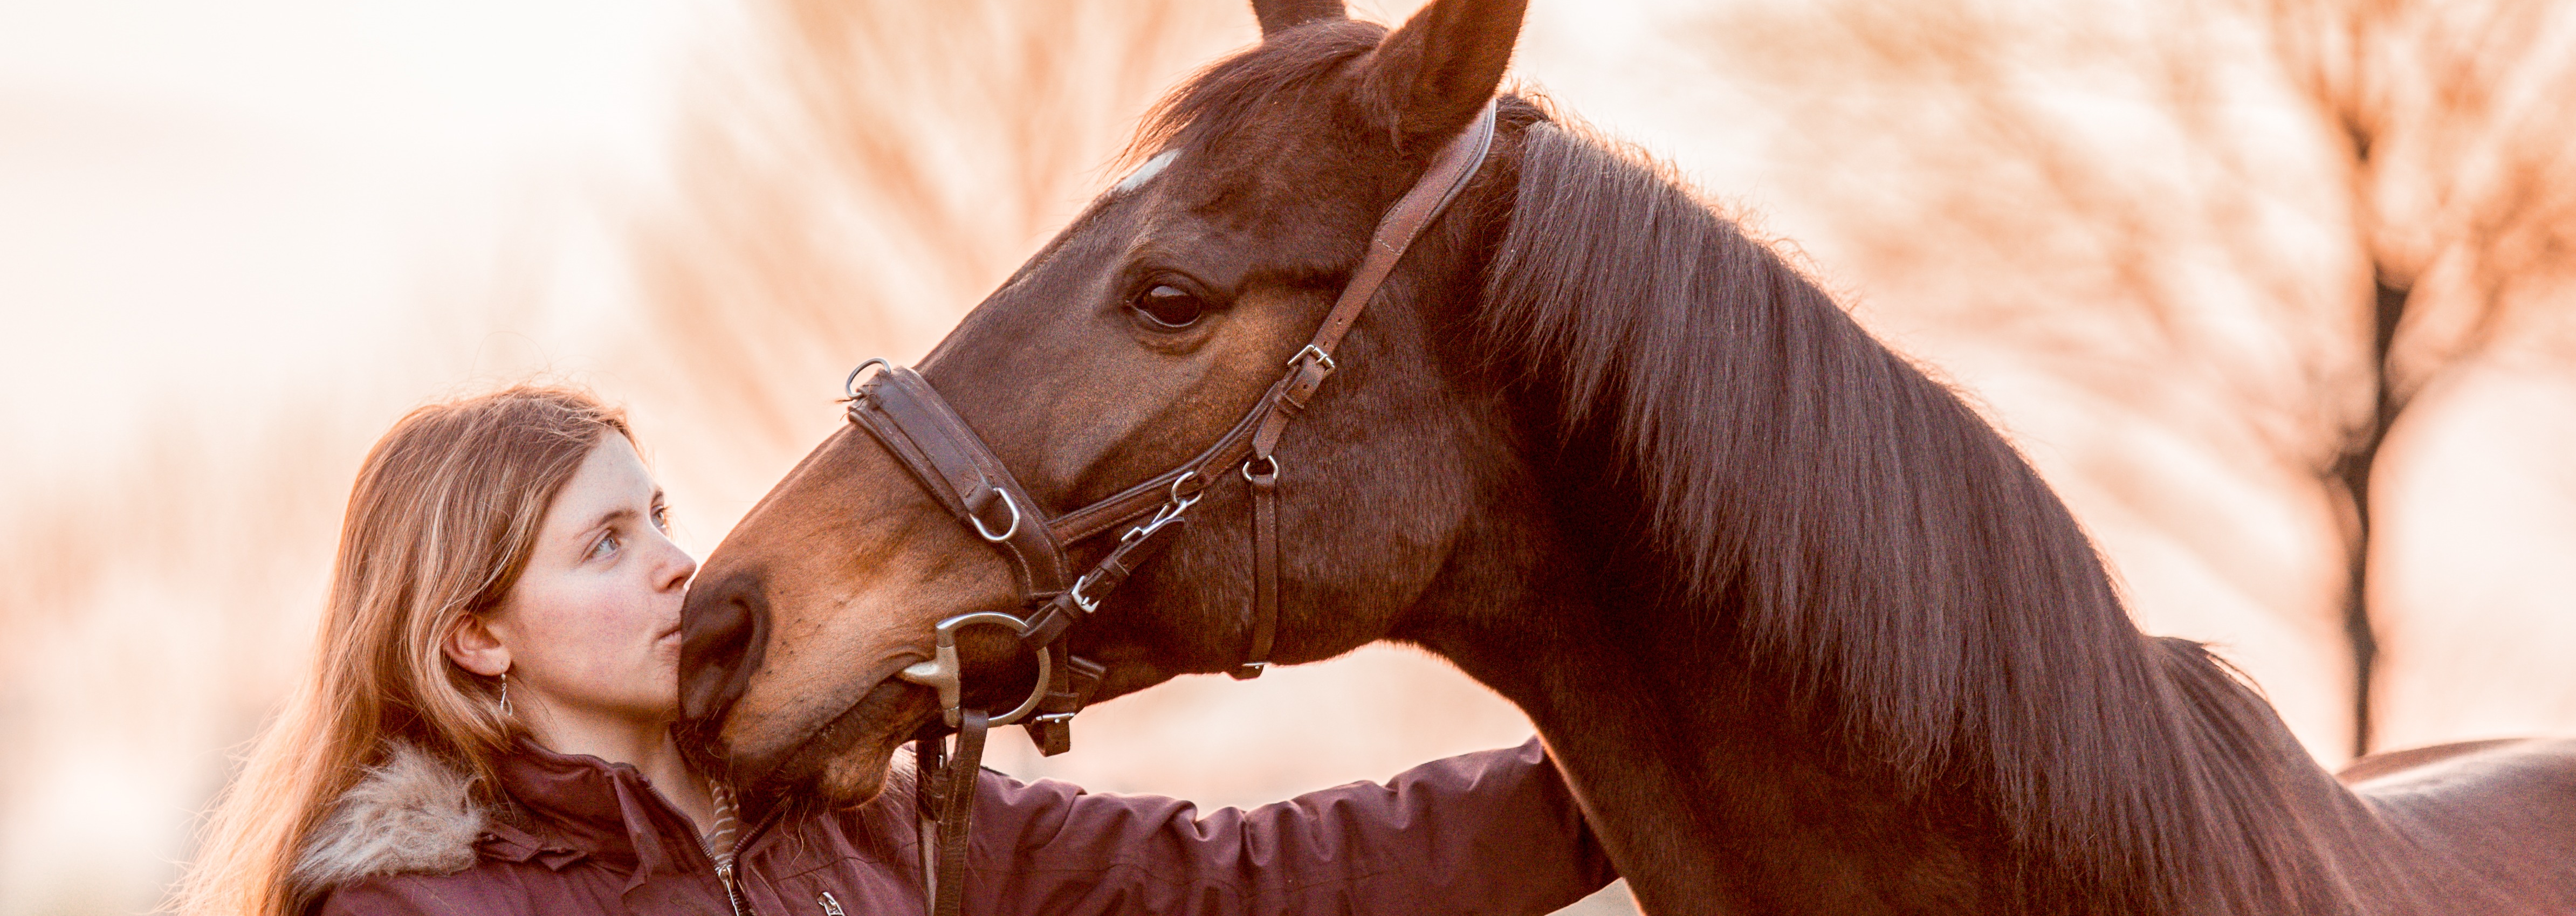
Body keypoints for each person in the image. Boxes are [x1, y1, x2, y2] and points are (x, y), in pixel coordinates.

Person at [174, 385, 1617, 915]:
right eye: (605, 544)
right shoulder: (427, 911)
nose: (679, 559)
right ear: (476, 634)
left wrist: (1625, 780)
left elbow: (1248, 877)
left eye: (660, 514)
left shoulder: (870, 816)